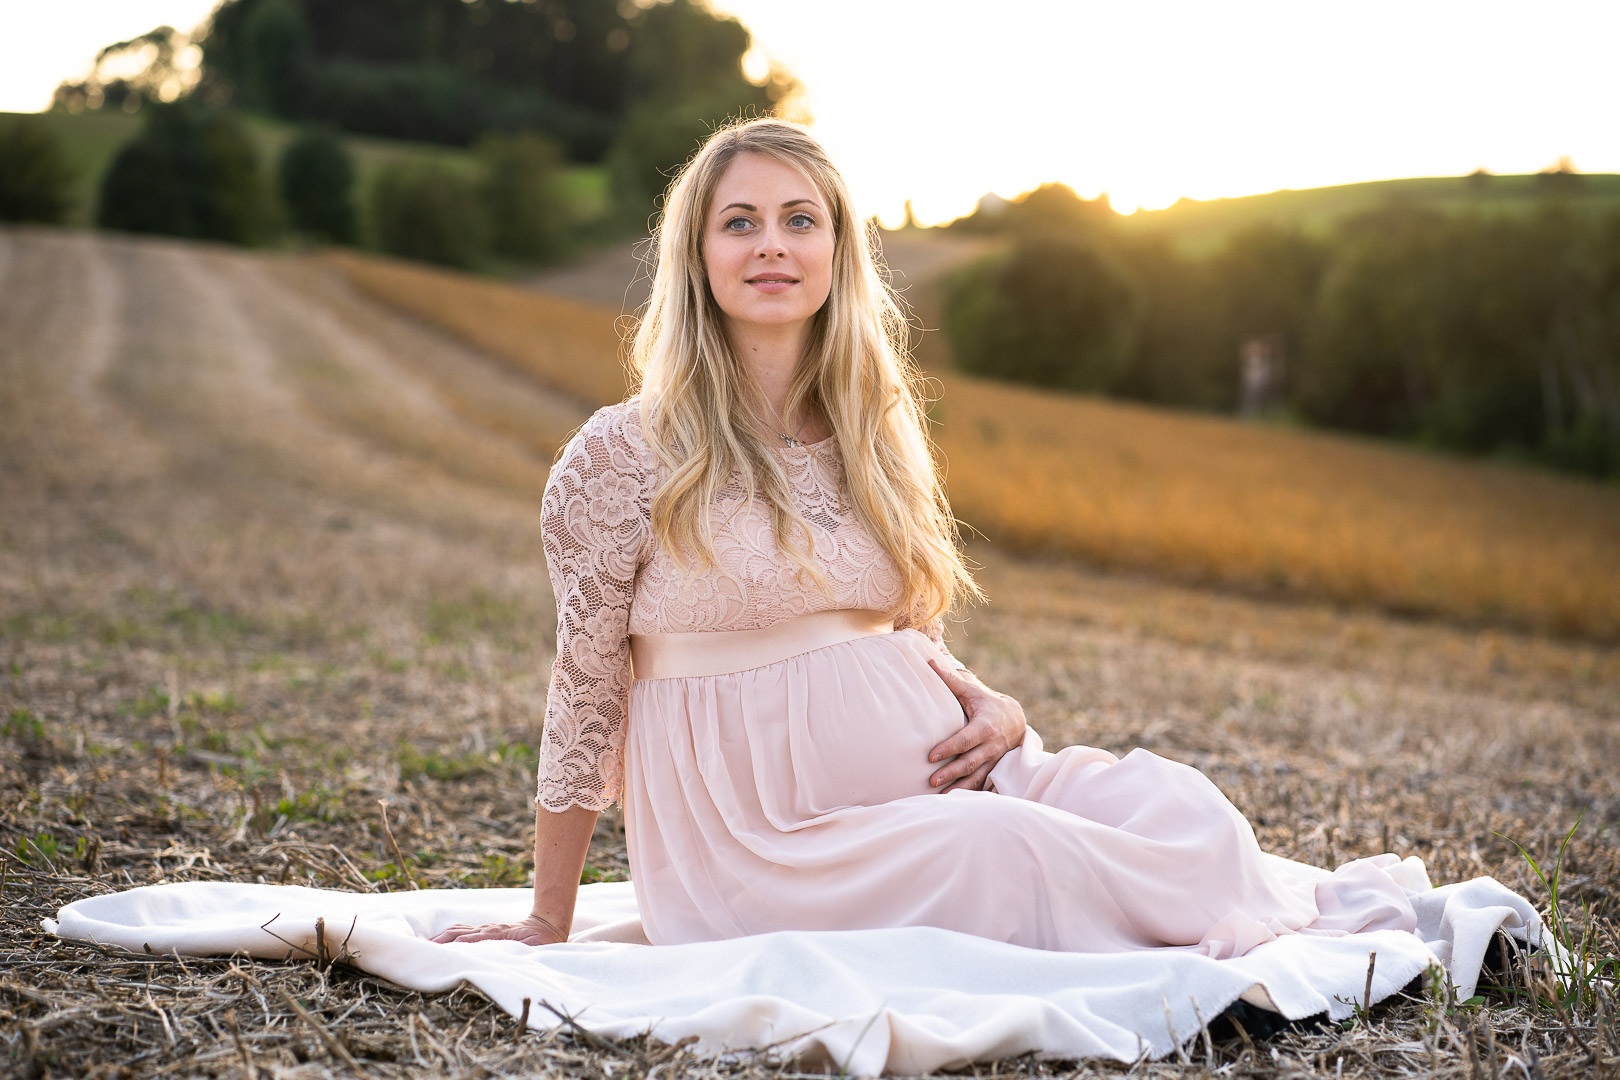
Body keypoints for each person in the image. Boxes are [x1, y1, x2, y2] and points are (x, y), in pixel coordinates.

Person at [430, 118, 1418, 955]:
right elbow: (586, 688)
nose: (771, 244)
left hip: (946, 770)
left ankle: (1244, 910)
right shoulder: (622, 454)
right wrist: (546, 917)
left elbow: (912, 634)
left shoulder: (873, 428)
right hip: (765, 844)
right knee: (1005, 849)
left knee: (1186, 814)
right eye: (740, 222)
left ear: (836, 253)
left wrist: (993, 704)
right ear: (697, 255)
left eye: (799, 220)